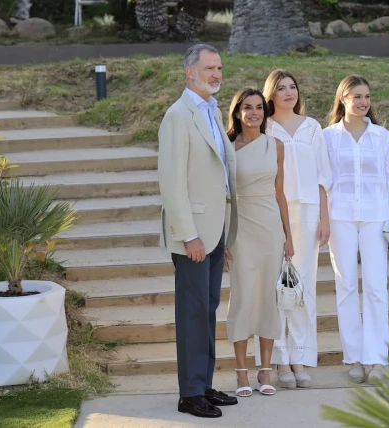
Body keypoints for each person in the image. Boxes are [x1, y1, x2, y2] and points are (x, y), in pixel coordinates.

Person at [157, 44, 239, 419]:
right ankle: (189, 395)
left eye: (219, 68)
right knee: (191, 312)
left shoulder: (211, 110)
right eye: (209, 68)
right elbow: (172, 184)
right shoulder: (178, 115)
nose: (216, 74)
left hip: (215, 227)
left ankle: (203, 385)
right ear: (190, 72)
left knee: (206, 309)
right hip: (194, 233)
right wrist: (188, 234)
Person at [323, 75, 389, 384]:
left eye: (367, 97)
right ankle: (355, 357)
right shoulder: (327, 137)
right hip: (340, 217)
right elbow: (322, 181)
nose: (363, 102)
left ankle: (376, 359)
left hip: (375, 217)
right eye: (356, 96)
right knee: (345, 286)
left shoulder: (381, 136)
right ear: (343, 98)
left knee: (375, 287)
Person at [256, 69, 332, 388]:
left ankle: (299, 356)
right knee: (278, 286)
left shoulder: (313, 127)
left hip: (309, 212)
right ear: (270, 94)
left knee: (303, 288)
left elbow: (323, 176)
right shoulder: (264, 129)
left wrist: (324, 218)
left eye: (293, 87)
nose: (289, 93)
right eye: (282, 88)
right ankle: (280, 360)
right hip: (275, 213)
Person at [225, 87, 294, 397]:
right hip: (239, 229)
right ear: (238, 112)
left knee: (268, 298)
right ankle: (241, 372)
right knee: (241, 298)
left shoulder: (276, 145)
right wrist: (222, 238)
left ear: (265, 114)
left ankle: (265, 371)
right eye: (247, 107)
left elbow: (280, 194)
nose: (254, 113)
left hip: (269, 228)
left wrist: (288, 236)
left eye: (259, 108)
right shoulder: (226, 147)